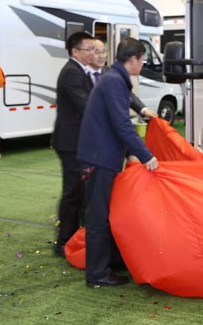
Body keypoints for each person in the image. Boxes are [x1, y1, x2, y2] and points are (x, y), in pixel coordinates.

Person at [78, 37, 158, 288]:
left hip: (103, 156)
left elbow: (116, 122)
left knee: (103, 214)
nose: (143, 64)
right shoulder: (114, 81)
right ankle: (97, 274)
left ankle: (105, 265)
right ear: (133, 59)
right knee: (97, 217)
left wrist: (131, 153)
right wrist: (145, 155)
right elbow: (121, 123)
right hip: (99, 158)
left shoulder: (115, 79)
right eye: (142, 59)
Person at [52, 31, 95, 257]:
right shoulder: (71, 72)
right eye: (89, 49)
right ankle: (64, 242)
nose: (93, 54)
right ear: (75, 51)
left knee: (80, 190)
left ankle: (74, 237)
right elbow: (85, 105)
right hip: (70, 141)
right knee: (72, 191)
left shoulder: (82, 71)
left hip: (78, 140)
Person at [88, 38, 152, 118]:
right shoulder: (80, 74)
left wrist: (143, 109)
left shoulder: (109, 71)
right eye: (97, 52)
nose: (101, 56)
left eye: (103, 52)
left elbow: (128, 95)